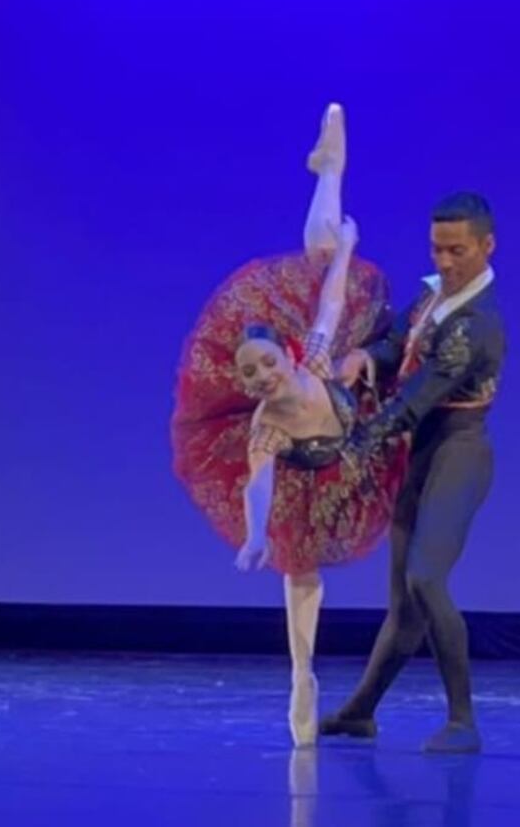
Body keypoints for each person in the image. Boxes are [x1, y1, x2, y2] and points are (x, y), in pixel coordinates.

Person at [171, 105, 406, 746]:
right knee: (299, 573)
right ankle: (302, 674)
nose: (261, 379)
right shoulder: (266, 426)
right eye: (249, 376)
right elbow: (258, 485)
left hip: (357, 436)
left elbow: (331, 300)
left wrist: (352, 250)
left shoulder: (320, 356)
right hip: (316, 480)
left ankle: (330, 172)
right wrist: (252, 539)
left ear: (290, 356)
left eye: (267, 364)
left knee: (326, 257)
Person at [319, 192, 506, 754]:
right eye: (437, 249)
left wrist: (357, 441)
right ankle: (359, 713)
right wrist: (364, 359)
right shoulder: (432, 300)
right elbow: (396, 344)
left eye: (458, 250)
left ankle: (462, 721)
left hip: (459, 453)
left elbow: (420, 396)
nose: (446, 261)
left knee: (426, 579)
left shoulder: (478, 324)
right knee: (403, 602)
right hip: (423, 455)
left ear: (486, 246)